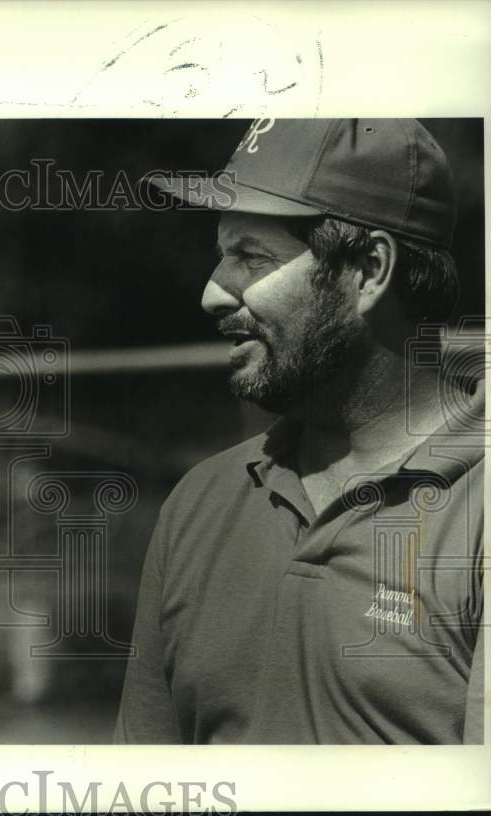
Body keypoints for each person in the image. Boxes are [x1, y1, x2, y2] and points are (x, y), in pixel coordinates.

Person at [116, 119, 484, 744]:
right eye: (221, 252)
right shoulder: (198, 504)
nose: (212, 292)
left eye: (251, 256)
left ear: (369, 269)